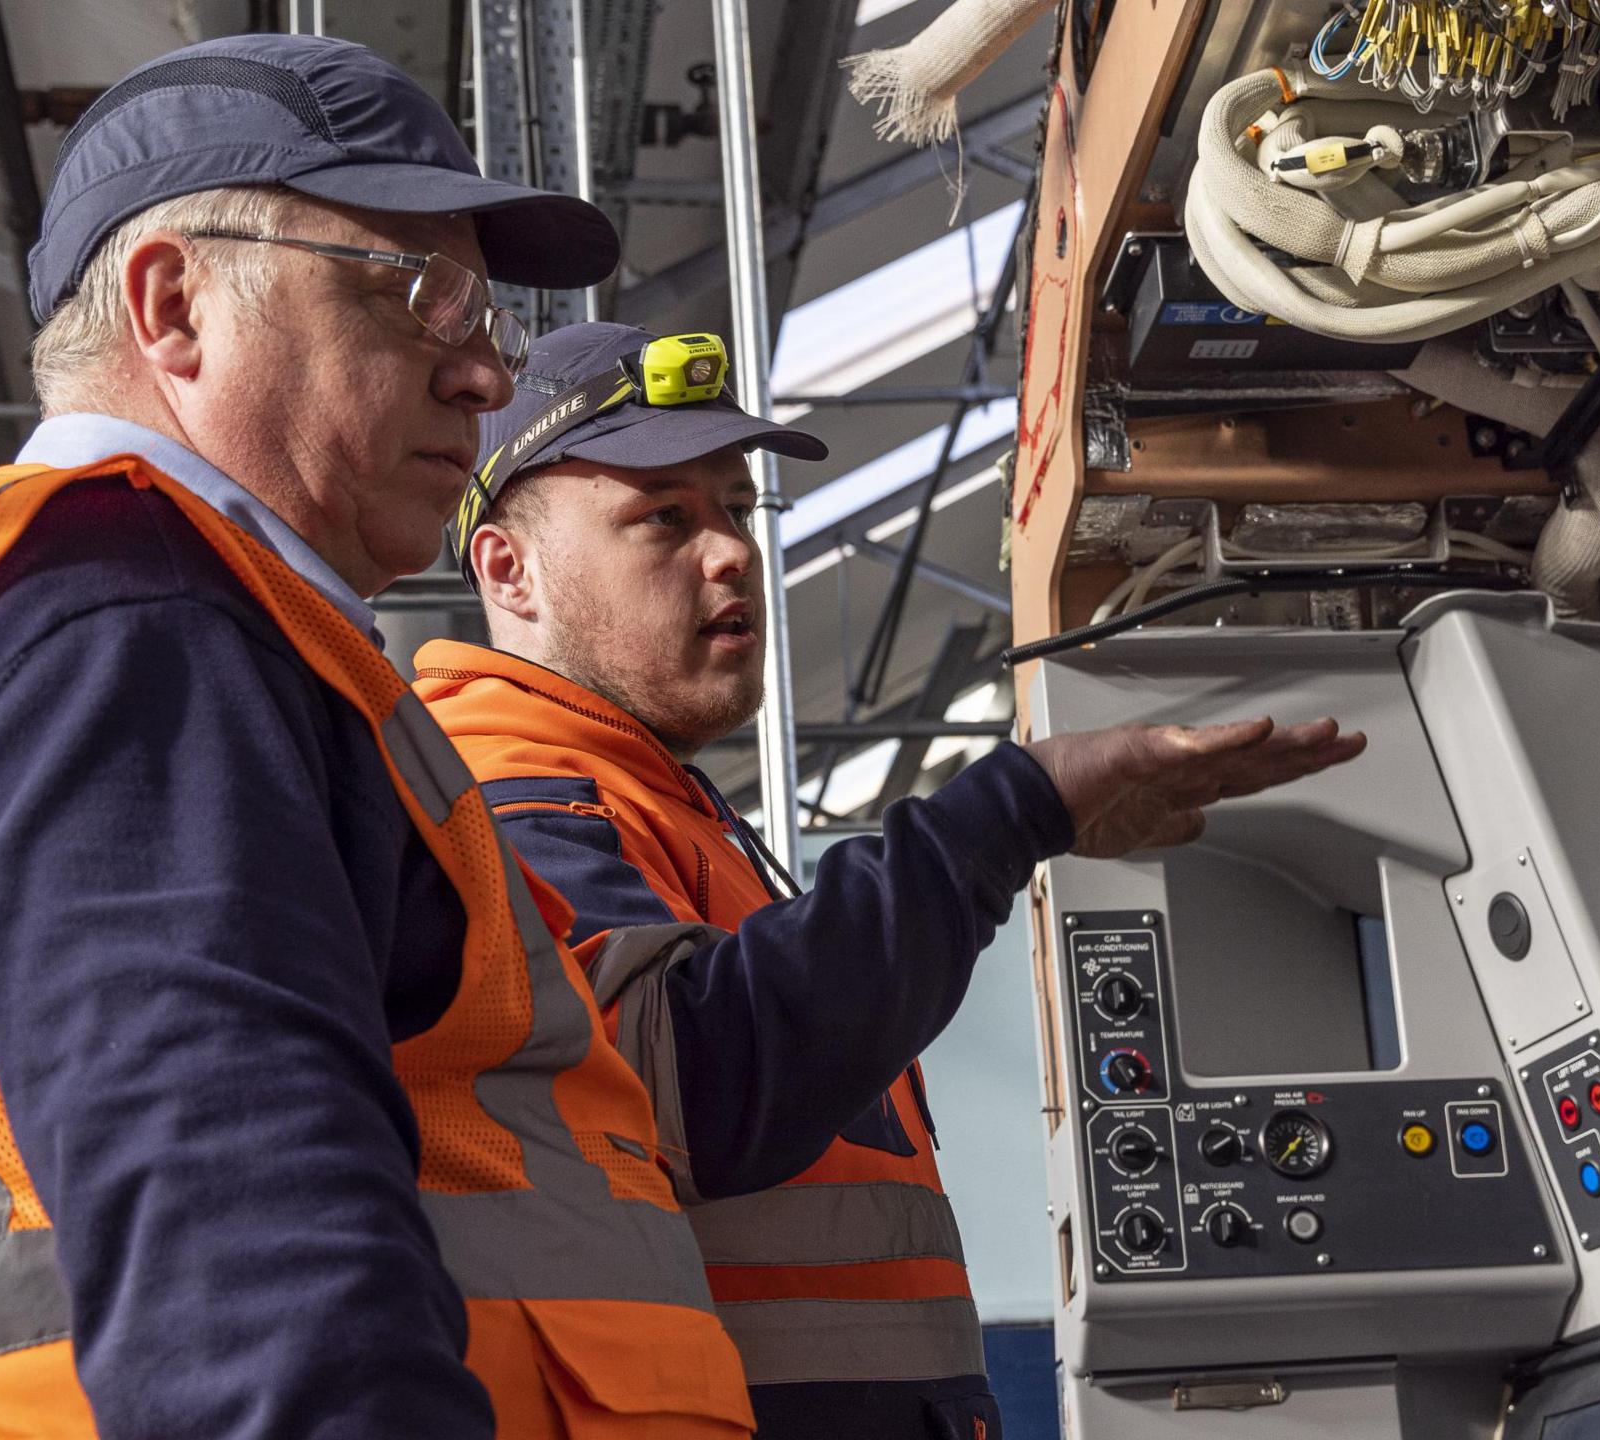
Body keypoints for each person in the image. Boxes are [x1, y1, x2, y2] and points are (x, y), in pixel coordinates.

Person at [0, 36, 754, 1440]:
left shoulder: (117, 614)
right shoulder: (122, 620)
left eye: (489, 323)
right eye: (421, 296)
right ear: (175, 305)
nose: (485, 378)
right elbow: (249, 1273)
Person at [416, 322, 1369, 1439]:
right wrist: (1005, 815)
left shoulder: (653, 801)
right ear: (507, 568)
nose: (728, 551)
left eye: (734, 507)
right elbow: (701, 1085)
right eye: (663, 517)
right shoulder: (505, 791)